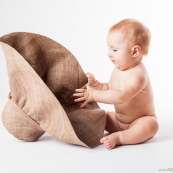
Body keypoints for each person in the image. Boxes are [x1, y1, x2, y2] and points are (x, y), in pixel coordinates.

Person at [73, 19, 159, 150]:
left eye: (114, 50)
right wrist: (96, 84)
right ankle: (81, 128)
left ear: (135, 52)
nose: (109, 54)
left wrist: (93, 95)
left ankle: (120, 137)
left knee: (151, 125)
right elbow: (109, 88)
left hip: (139, 121)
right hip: (119, 121)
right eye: (109, 49)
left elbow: (121, 96)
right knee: (102, 115)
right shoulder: (119, 70)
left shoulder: (138, 76)